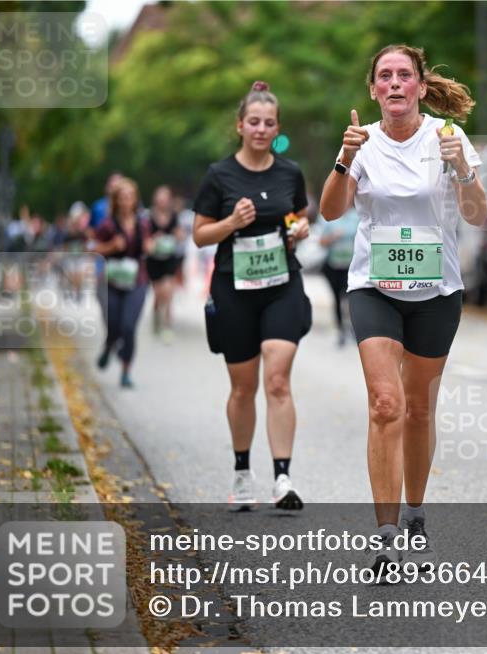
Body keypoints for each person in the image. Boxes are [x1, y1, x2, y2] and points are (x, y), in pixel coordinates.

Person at [319, 45, 487, 573]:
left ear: (420, 86)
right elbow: (330, 211)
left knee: (418, 410)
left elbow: (478, 215)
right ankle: (386, 535)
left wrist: (462, 169)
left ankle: (415, 515)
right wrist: (344, 158)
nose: (395, 83)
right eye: (385, 76)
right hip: (374, 288)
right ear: (373, 90)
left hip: (437, 292)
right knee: (385, 404)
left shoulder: (447, 137)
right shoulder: (361, 142)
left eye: (404, 75)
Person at [192, 81, 312, 512]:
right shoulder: (219, 175)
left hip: (282, 285)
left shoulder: (289, 172)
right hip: (234, 289)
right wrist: (231, 223)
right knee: (243, 388)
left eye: (269, 123)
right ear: (240, 125)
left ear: (277, 128)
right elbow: (199, 235)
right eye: (254, 122)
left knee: (277, 380)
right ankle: (242, 473)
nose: (261, 130)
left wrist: (300, 229)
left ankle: (283, 478)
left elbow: (297, 216)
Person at [92, 177, 152, 388]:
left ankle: (126, 372)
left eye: (130, 197)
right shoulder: (107, 225)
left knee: (128, 326)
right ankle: (109, 347)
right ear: (116, 201)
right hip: (112, 282)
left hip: (137, 281)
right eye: (122, 197)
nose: (126, 201)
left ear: (135, 200)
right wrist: (111, 246)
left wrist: (150, 247)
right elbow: (94, 249)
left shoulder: (143, 224)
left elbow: (148, 245)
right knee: (114, 325)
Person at [146, 185, 183, 342]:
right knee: (158, 294)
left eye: (165, 198)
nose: (162, 201)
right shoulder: (148, 217)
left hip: (169, 258)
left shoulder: (174, 216)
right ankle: (156, 317)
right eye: (160, 198)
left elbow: (180, 235)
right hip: (154, 260)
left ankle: (167, 325)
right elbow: (144, 239)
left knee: (168, 292)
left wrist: (177, 235)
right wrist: (154, 239)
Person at [318, 208, 359, 347]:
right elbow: (321, 242)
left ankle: (354, 330)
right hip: (333, 266)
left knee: (351, 299)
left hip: (351, 267)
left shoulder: (357, 215)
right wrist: (332, 237)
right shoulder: (327, 216)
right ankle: (341, 330)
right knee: (337, 299)